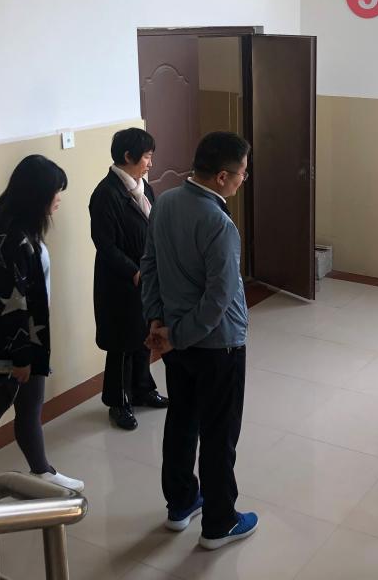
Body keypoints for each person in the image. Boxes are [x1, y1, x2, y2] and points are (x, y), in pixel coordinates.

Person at [141, 131, 258, 551]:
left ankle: (180, 503)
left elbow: (149, 266)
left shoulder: (166, 202)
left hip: (176, 340)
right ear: (223, 176)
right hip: (217, 346)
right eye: (242, 173)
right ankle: (220, 522)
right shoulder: (219, 224)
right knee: (218, 434)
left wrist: (158, 322)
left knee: (181, 422)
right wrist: (176, 337)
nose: (244, 179)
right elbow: (217, 299)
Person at [0, 155, 84, 506]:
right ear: (37, 195)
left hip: (26, 340)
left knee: (27, 406)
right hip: (13, 345)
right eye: (55, 191)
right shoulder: (12, 241)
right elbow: (14, 305)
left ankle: (41, 471)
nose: (59, 198)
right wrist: (22, 358)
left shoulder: (18, 231)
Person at [90, 128, 169, 432]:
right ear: (128, 156)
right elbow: (105, 244)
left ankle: (142, 389)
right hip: (120, 282)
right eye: (147, 157)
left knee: (143, 334)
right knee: (121, 342)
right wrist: (133, 271)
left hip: (146, 276)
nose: (150, 163)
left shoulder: (143, 188)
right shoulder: (106, 193)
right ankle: (118, 401)